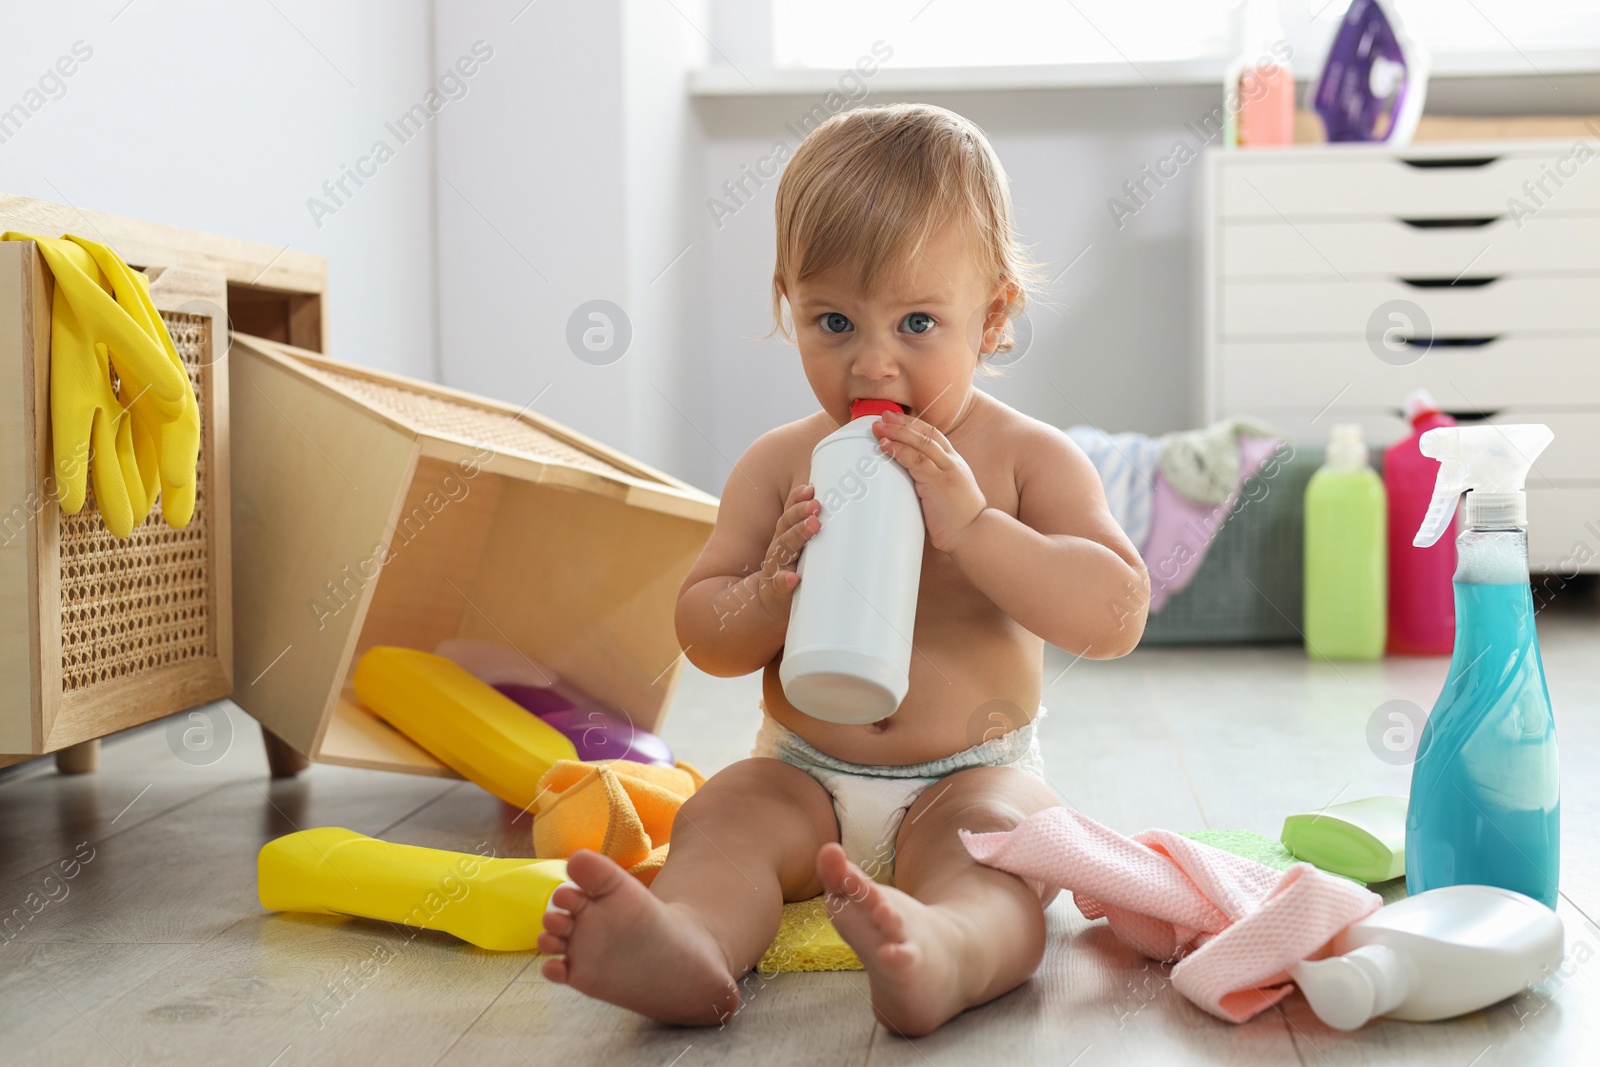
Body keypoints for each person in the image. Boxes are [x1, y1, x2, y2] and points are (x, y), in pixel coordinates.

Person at [538, 102, 1150, 1038]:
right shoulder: (781, 464)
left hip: (972, 768)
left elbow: (1114, 613)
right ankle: (691, 941)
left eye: (916, 322)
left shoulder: (1027, 459)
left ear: (990, 318)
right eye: (834, 320)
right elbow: (704, 634)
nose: (874, 361)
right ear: (789, 305)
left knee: (1004, 862)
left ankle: (944, 946)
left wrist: (978, 528)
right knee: (723, 820)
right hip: (805, 768)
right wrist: (769, 586)